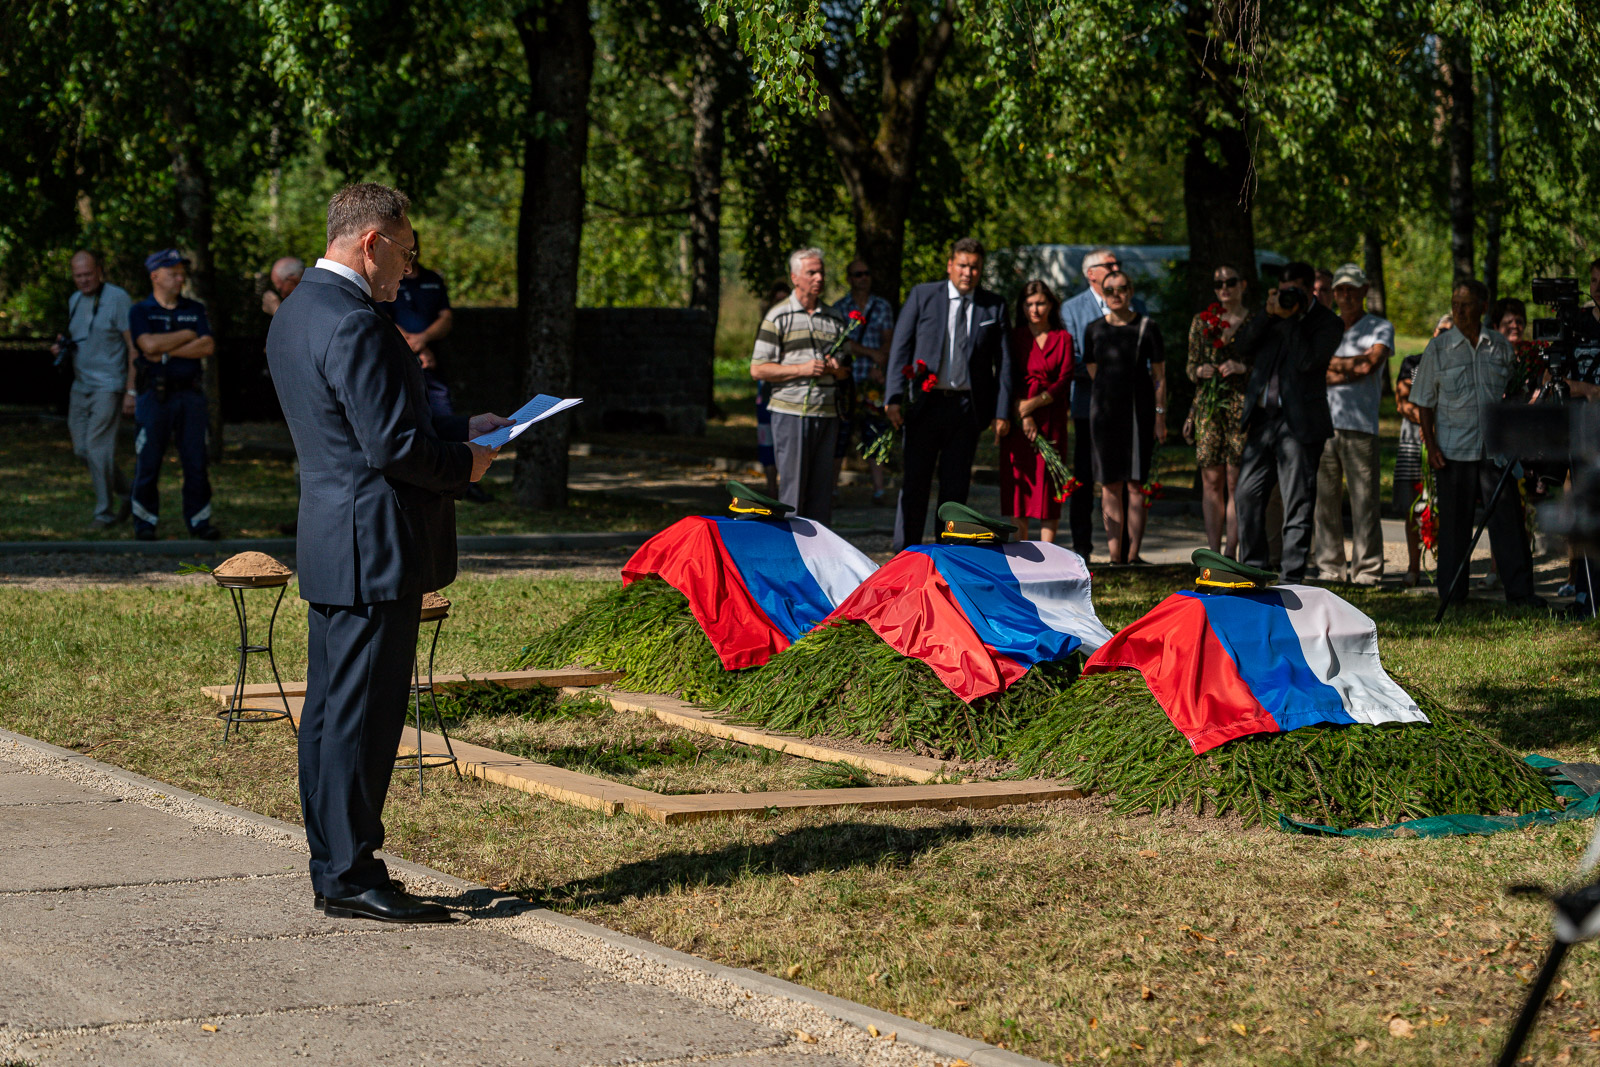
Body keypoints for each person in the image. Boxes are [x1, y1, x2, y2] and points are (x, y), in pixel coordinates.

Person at [265, 182, 511, 923]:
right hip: (375, 545)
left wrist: (466, 424)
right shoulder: (356, 323)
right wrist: (468, 461)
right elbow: (392, 447)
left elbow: (359, 423)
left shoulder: (300, 310)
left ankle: (333, 860)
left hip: (336, 539)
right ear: (371, 242)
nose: (409, 269)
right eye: (405, 252)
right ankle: (349, 871)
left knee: (332, 713)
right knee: (363, 717)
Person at [1411, 279, 1541, 608]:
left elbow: (1514, 392)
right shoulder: (1438, 349)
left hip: (1495, 453)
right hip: (1453, 453)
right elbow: (1423, 402)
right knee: (1454, 528)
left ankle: (1521, 595)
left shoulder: (1500, 346)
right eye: (1455, 303)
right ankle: (1453, 597)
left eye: (1466, 304)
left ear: (1483, 307)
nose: (1459, 310)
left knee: (1509, 524)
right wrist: (1432, 444)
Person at [884, 237, 1012, 549]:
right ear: (950, 265)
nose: (968, 272)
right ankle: (907, 554)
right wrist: (893, 397)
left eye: (975, 267)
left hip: (967, 409)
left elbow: (1005, 363)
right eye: (963, 265)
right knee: (914, 484)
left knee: (955, 491)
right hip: (924, 406)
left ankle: (947, 557)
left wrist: (1001, 411)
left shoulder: (993, 306)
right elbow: (900, 347)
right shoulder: (923, 296)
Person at [1232, 260, 1344, 581]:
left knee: (1297, 503)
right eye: (1282, 291)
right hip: (1262, 420)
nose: (1286, 297)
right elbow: (1241, 347)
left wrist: (1290, 320)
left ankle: (1292, 578)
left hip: (1300, 424)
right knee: (1246, 494)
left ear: (1310, 289)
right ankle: (1251, 571)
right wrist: (1268, 316)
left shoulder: (1327, 323)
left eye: (1293, 291)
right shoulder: (1271, 314)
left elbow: (1308, 361)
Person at [750, 248, 849, 523]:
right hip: (790, 413)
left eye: (821, 272)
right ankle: (788, 555)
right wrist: (801, 370)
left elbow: (846, 371)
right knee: (792, 494)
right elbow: (757, 368)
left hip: (827, 414)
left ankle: (819, 559)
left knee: (822, 493)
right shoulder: (778, 316)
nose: (819, 278)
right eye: (812, 272)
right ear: (795, 277)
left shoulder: (835, 318)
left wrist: (837, 369)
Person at [128, 249, 220, 542]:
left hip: (189, 396)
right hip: (154, 397)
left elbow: (206, 346)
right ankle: (144, 523)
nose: (180, 278)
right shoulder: (140, 311)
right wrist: (186, 335)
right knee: (148, 460)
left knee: (195, 460)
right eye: (173, 273)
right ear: (155, 276)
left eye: (182, 273)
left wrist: (163, 351)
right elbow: (146, 344)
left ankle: (199, 522)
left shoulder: (194, 309)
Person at [1312, 263, 1394, 585]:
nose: (1345, 295)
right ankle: (1330, 568)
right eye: (1340, 289)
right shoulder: (1324, 326)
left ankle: (1367, 570)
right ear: (1334, 293)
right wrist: (1350, 367)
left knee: (1365, 502)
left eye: (1351, 289)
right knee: (1325, 501)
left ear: (1364, 291)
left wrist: (1331, 366)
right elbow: (1319, 369)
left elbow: (1369, 366)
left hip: (1361, 425)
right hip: (1325, 423)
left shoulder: (1379, 326)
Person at [1084, 270, 1165, 564]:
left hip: (1138, 413)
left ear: (1130, 291)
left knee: (1134, 484)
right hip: (1104, 415)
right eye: (1110, 290)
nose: (1116, 295)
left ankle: (1133, 556)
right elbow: (1092, 367)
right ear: (1102, 294)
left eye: (1122, 289)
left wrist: (1159, 414)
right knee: (1109, 484)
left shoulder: (1147, 327)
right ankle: (1114, 556)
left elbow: (1158, 374)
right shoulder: (1093, 329)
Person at [51, 251, 136, 528]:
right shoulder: (74, 300)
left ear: (99, 271)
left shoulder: (117, 298)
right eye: (78, 276)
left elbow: (134, 346)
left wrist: (130, 390)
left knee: (98, 448)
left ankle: (103, 513)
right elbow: (76, 339)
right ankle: (128, 493)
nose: (84, 280)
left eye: (88, 274)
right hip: (81, 385)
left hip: (109, 385)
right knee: (82, 449)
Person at [1186, 262, 1256, 556]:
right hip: (1209, 409)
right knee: (1211, 480)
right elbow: (1189, 366)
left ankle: (1231, 552)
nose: (1224, 288)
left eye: (1231, 281)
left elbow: (1267, 367)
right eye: (1219, 284)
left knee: (1235, 480)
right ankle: (1213, 552)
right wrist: (1198, 370)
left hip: (1240, 407)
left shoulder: (1254, 321)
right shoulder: (1203, 322)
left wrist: (1243, 368)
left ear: (1243, 285)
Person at [1059, 248, 1124, 559]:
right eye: (1109, 264)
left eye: (1117, 264)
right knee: (1084, 479)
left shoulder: (1130, 303)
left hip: (1126, 408)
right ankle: (1081, 548)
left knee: (1121, 478)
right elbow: (1070, 358)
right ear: (1091, 274)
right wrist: (1109, 376)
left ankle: (1123, 550)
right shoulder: (1072, 309)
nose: (1116, 268)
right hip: (1088, 406)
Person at [1000, 280, 1074, 542]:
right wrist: (1024, 413)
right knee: (1020, 484)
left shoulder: (1063, 338)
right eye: (1029, 304)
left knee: (1049, 484)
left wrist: (1035, 403)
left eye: (1040, 303)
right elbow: (1008, 376)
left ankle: (1048, 553)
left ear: (1051, 305)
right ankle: (1021, 553)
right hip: (1019, 420)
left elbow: (1065, 378)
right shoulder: (1015, 337)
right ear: (1022, 306)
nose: (1035, 309)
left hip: (1052, 419)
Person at [1393, 313, 1451, 587]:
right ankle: (1413, 568)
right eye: (1441, 329)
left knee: (1444, 506)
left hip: (1447, 441)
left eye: (1451, 331)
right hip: (1414, 442)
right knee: (1412, 506)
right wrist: (1426, 425)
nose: (1444, 335)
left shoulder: (1457, 365)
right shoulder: (1413, 362)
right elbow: (1402, 402)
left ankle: (1445, 569)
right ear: (1433, 332)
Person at [832, 258, 894, 503]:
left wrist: (881, 365)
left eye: (866, 273)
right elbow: (841, 343)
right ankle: (832, 489)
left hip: (872, 382)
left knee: (875, 434)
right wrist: (870, 352)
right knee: (840, 436)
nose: (863, 278)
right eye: (858, 274)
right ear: (849, 278)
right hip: (847, 381)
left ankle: (878, 489)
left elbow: (889, 338)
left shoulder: (882, 306)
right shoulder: (839, 307)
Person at [377, 232, 454, 418]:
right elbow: (382, 318)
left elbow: (446, 318)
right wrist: (416, 349)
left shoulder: (433, 279)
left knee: (442, 414)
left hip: (432, 362)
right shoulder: (388, 279)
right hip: (399, 360)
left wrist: (423, 340)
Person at [753, 280, 789, 497]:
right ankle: (771, 488)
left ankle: (785, 489)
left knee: (786, 444)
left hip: (787, 393)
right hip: (767, 393)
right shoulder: (765, 327)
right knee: (767, 442)